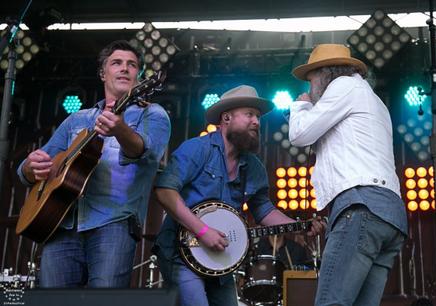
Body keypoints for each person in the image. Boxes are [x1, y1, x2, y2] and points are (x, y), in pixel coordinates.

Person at [16, 40, 171, 288]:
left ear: (140, 76)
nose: (124, 68)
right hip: (61, 222)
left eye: (132, 65)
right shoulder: (77, 119)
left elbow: (144, 152)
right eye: (116, 63)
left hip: (114, 224)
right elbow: (30, 167)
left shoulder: (152, 114)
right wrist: (29, 167)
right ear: (103, 73)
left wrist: (120, 129)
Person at [153, 85, 325, 306]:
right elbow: (165, 190)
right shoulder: (197, 149)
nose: (256, 122)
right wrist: (202, 230)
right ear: (226, 118)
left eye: (258, 117)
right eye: (249, 115)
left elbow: (264, 210)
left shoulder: (254, 166)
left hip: (220, 261)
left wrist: (300, 225)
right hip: (181, 253)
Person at [288, 44, 408, 306]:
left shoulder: (343, 87)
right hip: (390, 215)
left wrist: (300, 106)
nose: (310, 89)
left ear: (325, 74)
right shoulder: (372, 99)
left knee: (331, 302)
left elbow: (299, 135)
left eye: (311, 81)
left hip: (362, 207)